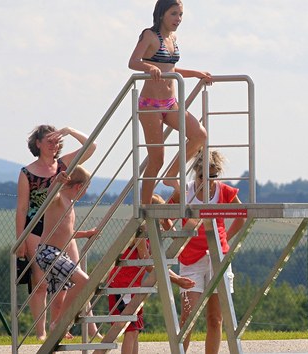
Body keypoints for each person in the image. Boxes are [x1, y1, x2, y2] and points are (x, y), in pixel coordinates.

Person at [15, 125, 97, 340]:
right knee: (40, 282)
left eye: (57, 141)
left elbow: (91, 147)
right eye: (49, 141)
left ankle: (87, 327)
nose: (54, 145)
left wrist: (69, 130)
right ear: (38, 144)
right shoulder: (27, 172)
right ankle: (41, 331)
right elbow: (22, 208)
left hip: (61, 227)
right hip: (36, 228)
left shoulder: (64, 164)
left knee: (73, 277)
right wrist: (20, 239)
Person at [128, 0, 210, 205]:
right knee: (156, 159)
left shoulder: (173, 37)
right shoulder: (150, 35)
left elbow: (170, 69)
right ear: (162, 14)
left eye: (180, 14)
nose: (178, 19)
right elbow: (133, 62)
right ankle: (146, 208)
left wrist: (196, 73)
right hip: (150, 105)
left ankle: (172, 174)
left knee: (199, 134)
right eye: (174, 14)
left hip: (170, 103)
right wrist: (148, 68)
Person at [171, 150, 245, 354]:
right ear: (196, 172)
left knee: (215, 318)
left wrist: (224, 240)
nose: (209, 181)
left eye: (214, 176)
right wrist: (178, 234)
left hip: (217, 256)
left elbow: (241, 215)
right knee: (189, 317)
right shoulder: (185, 191)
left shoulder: (224, 191)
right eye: (204, 176)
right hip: (191, 259)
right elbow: (164, 213)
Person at [107, 194, 195, 354]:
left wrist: (177, 278)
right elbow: (147, 263)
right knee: (130, 329)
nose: (163, 221)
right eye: (160, 216)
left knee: (135, 330)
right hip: (121, 286)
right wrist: (175, 280)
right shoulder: (140, 232)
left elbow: (156, 262)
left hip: (133, 287)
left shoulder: (150, 234)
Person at [35, 166, 98, 338]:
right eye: (86, 189)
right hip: (48, 253)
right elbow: (50, 195)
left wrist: (86, 234)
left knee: (59, 298)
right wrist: (57, 181)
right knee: (84, 281)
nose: (85, 193)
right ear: (79, 187)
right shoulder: (59, 198)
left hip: (59, 254)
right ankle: (59, 323)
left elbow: (67, 232)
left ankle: (57, 332)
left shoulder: (70, 205)